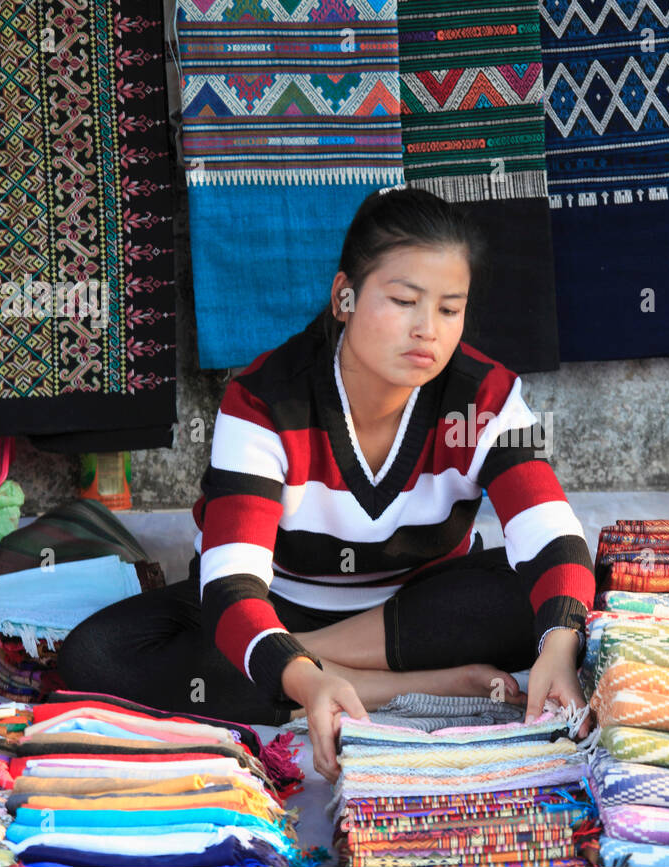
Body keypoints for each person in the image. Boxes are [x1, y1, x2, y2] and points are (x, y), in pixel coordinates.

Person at [59, 185, 596, 782]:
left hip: (423, 605)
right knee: (97, 656)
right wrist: (303, 677)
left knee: (554, 602)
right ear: (345, 296)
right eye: (403, 300)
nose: (428, 330)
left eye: (449, 308)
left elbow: (552, 533)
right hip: (282, 599)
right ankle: (400, 685)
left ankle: (295, 661)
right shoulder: (262, 401)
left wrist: (558, 646)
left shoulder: (490, 397)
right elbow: (234, 584)